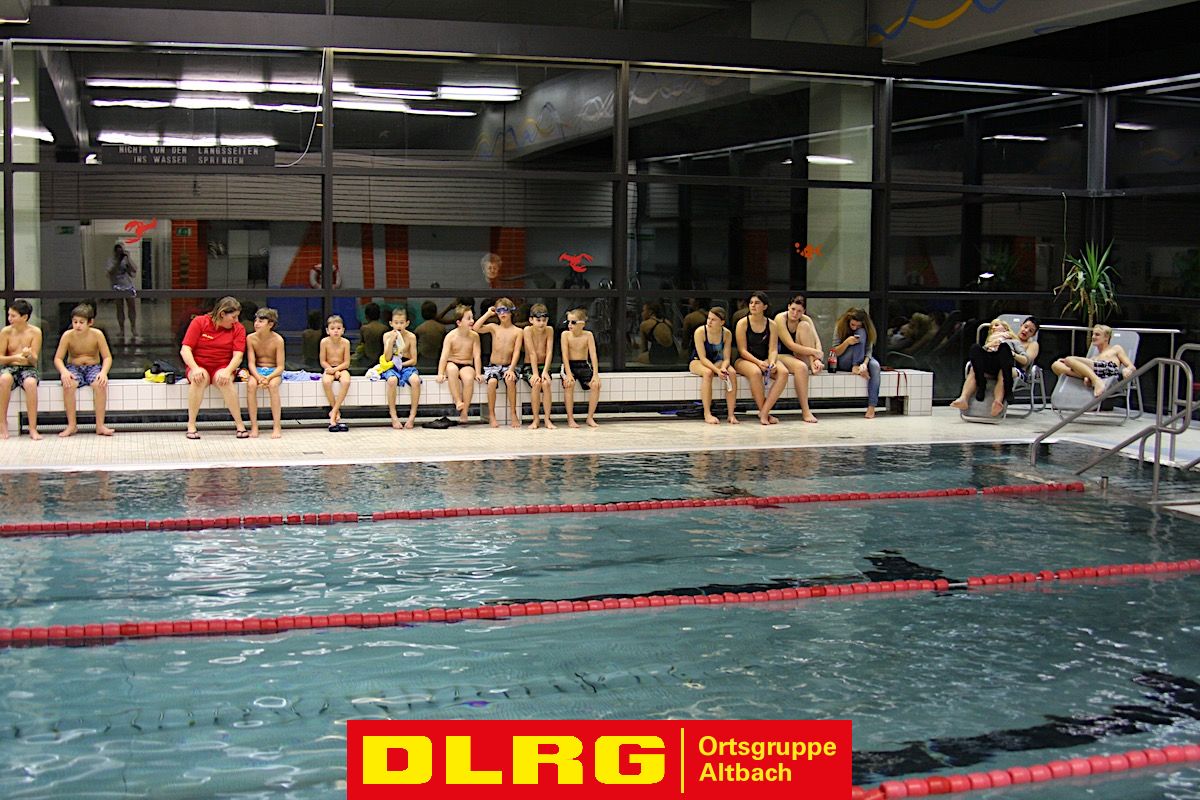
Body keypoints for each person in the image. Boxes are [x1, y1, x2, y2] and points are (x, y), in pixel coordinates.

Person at [180, 296, 248, 440]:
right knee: (198, 379)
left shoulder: (238, 328)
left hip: (223, 366)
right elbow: (185, 350)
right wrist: (195, 368)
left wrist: (228, 371)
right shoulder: (199, 322)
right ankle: (191, 425)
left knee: (225, 381)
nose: (236, 320)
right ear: (222, 314)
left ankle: (240, 424)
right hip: (199, 365)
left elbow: (238, 356)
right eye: (233, 317)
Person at [950, 316, 1040, 416]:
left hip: (1013, 369)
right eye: (1025, 327)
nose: (1026, 331)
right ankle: (964, 398)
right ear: (1021, 325)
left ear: (1034, 334)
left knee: (1004, 369)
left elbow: (1026, 361)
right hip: (994, 364)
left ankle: (997, 402)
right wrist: (992, 343)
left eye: (1031, 331)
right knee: (974, 368)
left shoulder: (1031, 344)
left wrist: (1011, 354)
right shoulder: (1004, 337)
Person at [53, 303, 114, 437]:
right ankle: (72, 425)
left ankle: (100, 425)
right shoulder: (68, 336)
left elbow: (107, 357)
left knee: (100, 385)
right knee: (69, 385)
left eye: (81, 322)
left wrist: (103, 372)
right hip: (74, 367)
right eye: (75, 322)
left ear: (90, 322)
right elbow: (58, 358)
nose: (78, 325)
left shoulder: (97, 335)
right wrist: (64, 372)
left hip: (93, 366)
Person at [735, 291, 788, 425]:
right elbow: (742, 350)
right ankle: (764, 413)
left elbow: (773, 349)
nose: (753, 305)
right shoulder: (742, 323)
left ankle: (764, 412)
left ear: (765, 306)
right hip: (745, 360)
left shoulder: (771, 325)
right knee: (755, 372)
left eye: (757, 303)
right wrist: (758, 362)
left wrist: (772, 362)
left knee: (783, 372)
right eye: (751, 303)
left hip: (764, 359)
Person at [473, 297, 524, 428]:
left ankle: (513, 414)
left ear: (511, 312)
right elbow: (476, 328)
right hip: (494, 366)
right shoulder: (494, 327)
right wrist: (488, 314)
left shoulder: (518, 331)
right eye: (499, 311)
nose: (502, 314)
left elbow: (516, 352)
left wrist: (511, 369)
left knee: (510, 380)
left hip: (509, 366)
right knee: (491, 382)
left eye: (505, 310)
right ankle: (492, 415)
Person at [774, 294, 822, 423]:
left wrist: (817, 359)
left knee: (804, 326)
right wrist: (815, 353)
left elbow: (816, 340)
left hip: (800, 356)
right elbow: (790, 345)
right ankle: (806, 411)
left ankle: (813, 364)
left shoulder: (805, 319)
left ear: (803, 311)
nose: (795, 314)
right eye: (793, 309)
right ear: (788, 307)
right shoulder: (780, 318)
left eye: (799, 311)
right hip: (780, 355)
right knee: (802, 367)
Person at [1051, 324, 1135, 398]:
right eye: (1093, 334)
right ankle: (1090, 378)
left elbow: (1131, 366)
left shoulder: (1115, 349)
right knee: (1056, 365)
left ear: (1106, 337)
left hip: (1108, 370)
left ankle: (1096, 381)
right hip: (1095, 372)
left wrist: (1127, 369)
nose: (1093, 337)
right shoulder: (1094, 357)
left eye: (1097, 335)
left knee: (1069, 359)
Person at [0, 299, 43, 440]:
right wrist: (16, 357)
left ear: (24, 317)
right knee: (4, 379)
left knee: (30, 383)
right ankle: (2, 423)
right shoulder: (6, 332)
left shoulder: (35, 332)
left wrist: (29, 355)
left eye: (13, 316)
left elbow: (34, 360)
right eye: (9, 315)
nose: (9, 319)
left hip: (28, 368)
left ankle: (32, 428)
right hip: (10, 366)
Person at [689, 306, 739, 425]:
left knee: (732, 373)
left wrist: (723, 368)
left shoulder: (726, 334)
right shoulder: (700, 332)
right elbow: (702, 358)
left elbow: (726, 358)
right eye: (708, 318)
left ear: (722, 322)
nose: (709, 322)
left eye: (713, 320)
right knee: (708, 373)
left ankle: (731, 414)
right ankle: (707, 413)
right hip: (698, 362)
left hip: (718, 362)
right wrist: (717, 370)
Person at [831, 307, 881, 419]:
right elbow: (835, 352)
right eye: (853, 325)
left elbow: (869, 351)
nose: (855, 328)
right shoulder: (840, 326)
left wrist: (864, 364)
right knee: (860, 333)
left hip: (862, 358)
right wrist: (847, 342)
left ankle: (872, 406)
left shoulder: (865, 329)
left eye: (858, 325)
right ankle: (855, 366)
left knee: (875, 366)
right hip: (845, 360)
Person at [436, 305, 482, 424]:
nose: (472, 321)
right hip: (452, 362)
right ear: (459, 322)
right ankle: (457, 401)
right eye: (468, 318)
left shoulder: (474, 336)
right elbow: (444, 356)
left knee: (468, 378)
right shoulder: (450, 336)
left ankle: (464, 411)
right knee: (452, 370)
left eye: (472, 318)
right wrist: (440, 373)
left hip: (467, 364)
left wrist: (478, 373)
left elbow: (477, 356)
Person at [245, 307, 285, 439]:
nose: (256, 324)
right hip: (257, 370)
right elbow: (251, 363)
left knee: (273, 386)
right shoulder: (250, 338)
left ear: (270, 324)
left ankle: (277, 426)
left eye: (261, 321)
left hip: (273, 371)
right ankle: (254, 426)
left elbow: (280, 367)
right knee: (251, 385)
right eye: (256, 320)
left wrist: (268, 378)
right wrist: (259, 377)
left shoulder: (278, 340)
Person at [381, 306, 421, 429]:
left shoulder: (411, 337)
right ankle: (393, 416)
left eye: (402, 323)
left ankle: (412, 416)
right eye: (396, 323)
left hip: (406, 365)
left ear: (407, 323)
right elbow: (387, 358)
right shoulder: (387, 336)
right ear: (391, 323)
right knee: (392, 380)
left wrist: (401, 365)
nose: (399, 326)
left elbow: (414, 360)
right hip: (391, 365)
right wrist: (391, 342)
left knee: (415, 380)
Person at [561, 307, 601, 428]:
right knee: (569, 384)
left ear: (582, 324)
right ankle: (570, 418)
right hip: (569, 365)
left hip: (583, 364)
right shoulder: (565, 335)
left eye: (573, 322)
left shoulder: (588, 335)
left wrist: (595, 374)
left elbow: (593, 355)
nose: (570, 325)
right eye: (568, 322)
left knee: (595, 385)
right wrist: (568, 374)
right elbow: (564, 355)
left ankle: (590, 417)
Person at [522, 302, 556, 429]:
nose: (541, 323)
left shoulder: (549, 330)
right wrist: (535, 373)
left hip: (544, 366)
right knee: (536, 383)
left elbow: (549, 352)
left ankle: (547, 419)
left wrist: (545, 371)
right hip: (530, 366)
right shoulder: (527, 330)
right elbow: (532, 353)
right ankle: (535, 419)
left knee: (546, 384)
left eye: (544, 320)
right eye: (538, 320)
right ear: (531, 320)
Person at [320, 315, 352, 431]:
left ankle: (333, 411)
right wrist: (332, 370)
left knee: (346, 381)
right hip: (329, 368)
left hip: (341, 368)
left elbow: (346, 363)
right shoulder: (324, 342)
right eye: (333, 328)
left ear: (343, 330)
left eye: (338, 328)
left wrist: (337, 370)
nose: (336, 331)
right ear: (327, 331)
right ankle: (335, 410)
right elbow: (323, 361)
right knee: (326, 382)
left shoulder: (345, 343)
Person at [106, 242, 138, 343]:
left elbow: (133, 271)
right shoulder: (111, 260)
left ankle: (133, 328)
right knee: (119, 308)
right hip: (116, 286)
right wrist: (118, 262)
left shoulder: (125, 260)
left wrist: (128, 259)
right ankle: (121, 329)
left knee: (132, 307)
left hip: (127, 285)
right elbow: (110, 272)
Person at [414, 301, 447, 367]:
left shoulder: (419, 329)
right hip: (438, 360)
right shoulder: (442, 328)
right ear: (435, 312)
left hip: (422, 360)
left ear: (422, 313)